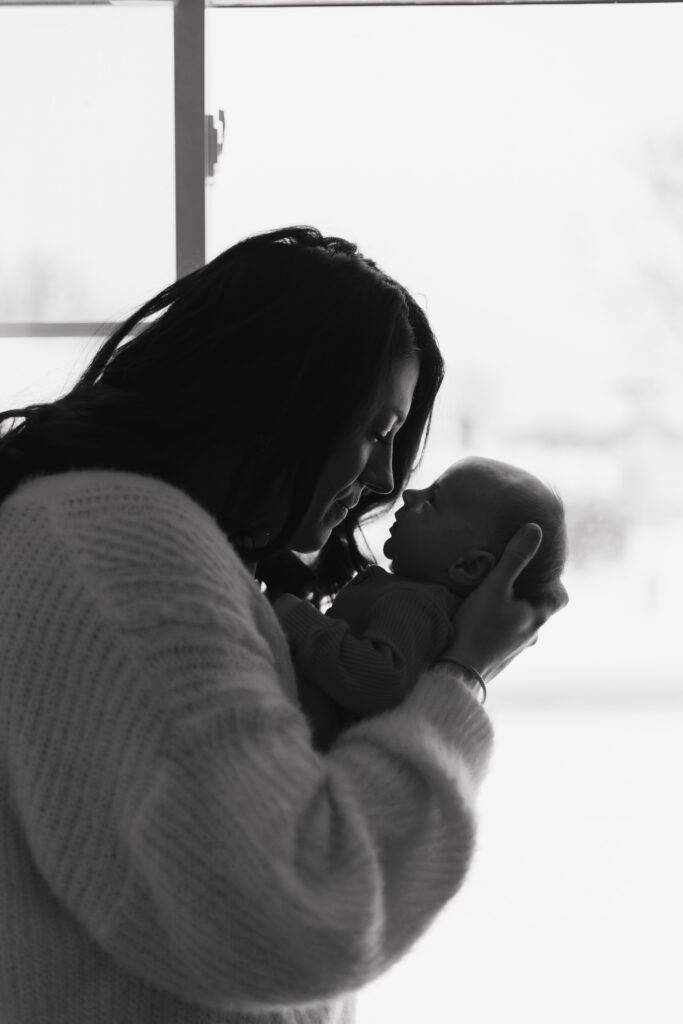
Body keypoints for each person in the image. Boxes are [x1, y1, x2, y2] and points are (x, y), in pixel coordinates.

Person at [0, 225, 567, 1024]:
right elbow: (305, 912)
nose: (384, 477)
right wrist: (461, 682)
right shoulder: (124, 547)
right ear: (283, 398)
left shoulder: (101, 531)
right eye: (377, 430)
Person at [273, 456, 567, 750]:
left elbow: (382, 680)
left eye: (432, 500)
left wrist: (293, 615)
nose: (409, 495)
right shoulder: (408, 597)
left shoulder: (417, 603)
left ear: (468, 567)